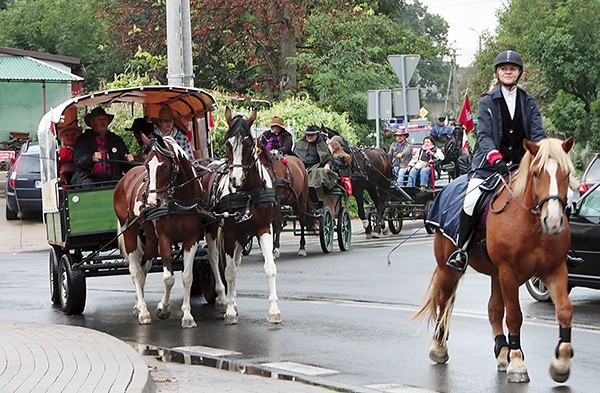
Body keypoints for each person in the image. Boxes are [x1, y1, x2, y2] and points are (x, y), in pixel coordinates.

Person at [445, 50, 547, 272]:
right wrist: (495, 158)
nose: (508, 72)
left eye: (512, 69)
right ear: (498, 73)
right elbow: (484, 136)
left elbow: (538, 133)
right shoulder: (487, 102)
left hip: (523, 165)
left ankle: (562, 250)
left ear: (519, 73)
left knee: (554, 194)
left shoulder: (528, 101)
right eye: (504, 69)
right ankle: (461, 250)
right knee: (471, 199)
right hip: (490, 166)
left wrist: (541, 152)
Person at [71, 107, 134, 187]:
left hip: (113, 179)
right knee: (88, 185)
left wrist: (129, 161)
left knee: (126, 186)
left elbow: (124, 165)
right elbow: (78, 160)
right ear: (92, 123)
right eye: (99, 119)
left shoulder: (116, 140)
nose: (102, 122)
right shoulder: (83, 139)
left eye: (104, 119)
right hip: (89, 177)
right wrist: (91, 158)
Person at [293, 125, 338, 192]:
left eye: (312, 135)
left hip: (316, 167)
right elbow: (294, 157)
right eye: (308, 135)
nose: (309, 137)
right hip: (301, 168)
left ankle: (317, 194)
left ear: (316, 135)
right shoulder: (300, 144)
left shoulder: (322, 145)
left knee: (321, 172)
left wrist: (327, 165)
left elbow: (329, 158)